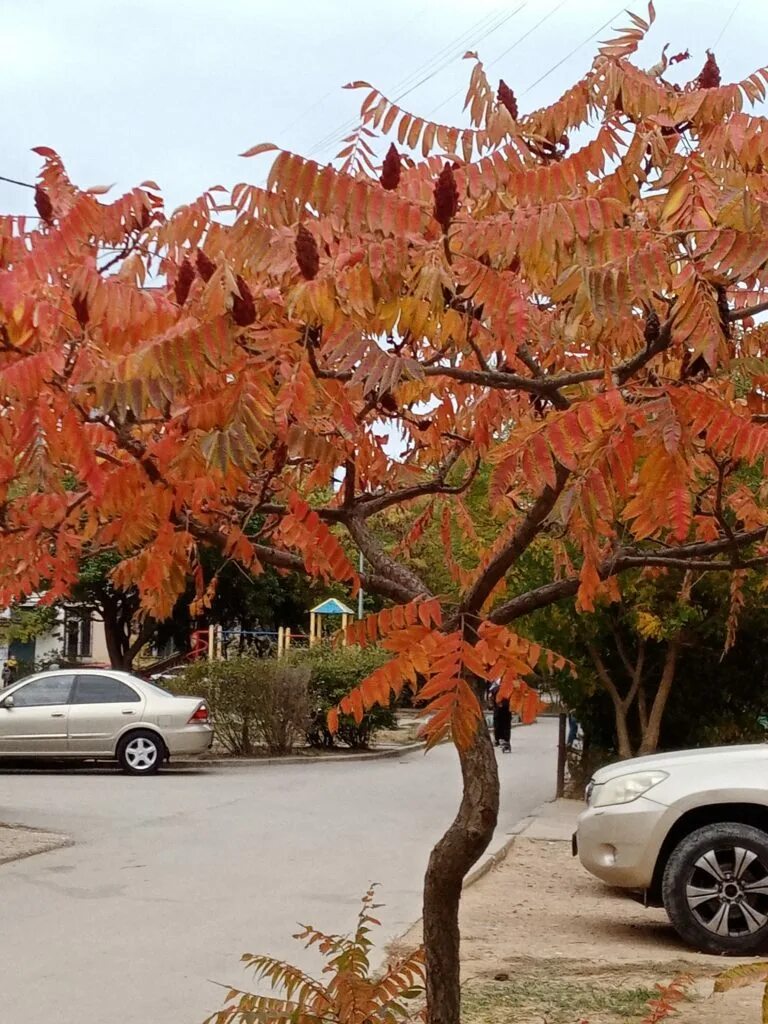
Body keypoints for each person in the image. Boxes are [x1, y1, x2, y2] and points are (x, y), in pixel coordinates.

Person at [488, 680, 512, 753]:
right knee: (502, 723)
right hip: (502, 707)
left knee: (502, 723)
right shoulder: (496, 685)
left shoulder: (496, 686)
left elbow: (490, 696)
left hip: (503, 707)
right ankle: (501, 740)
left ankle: (502, 740)